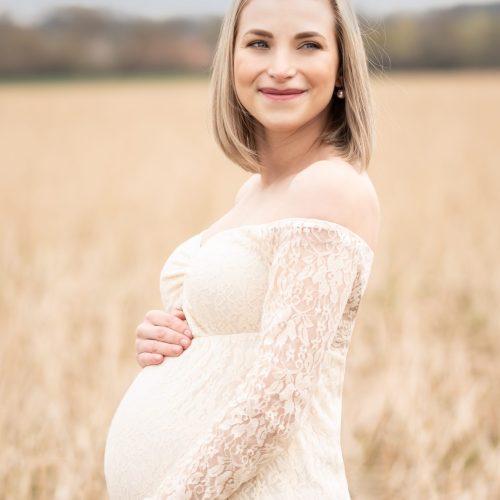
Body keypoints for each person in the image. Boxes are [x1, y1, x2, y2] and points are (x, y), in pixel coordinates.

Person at [104, 0, 381, 498]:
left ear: (341, 69)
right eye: (258, 43)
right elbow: (236, 340)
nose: (279, 66)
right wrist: (169, 337)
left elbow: (274, 406)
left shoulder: (330, 188)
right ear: (231, 61)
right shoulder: (255, 192)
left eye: (309, 44)